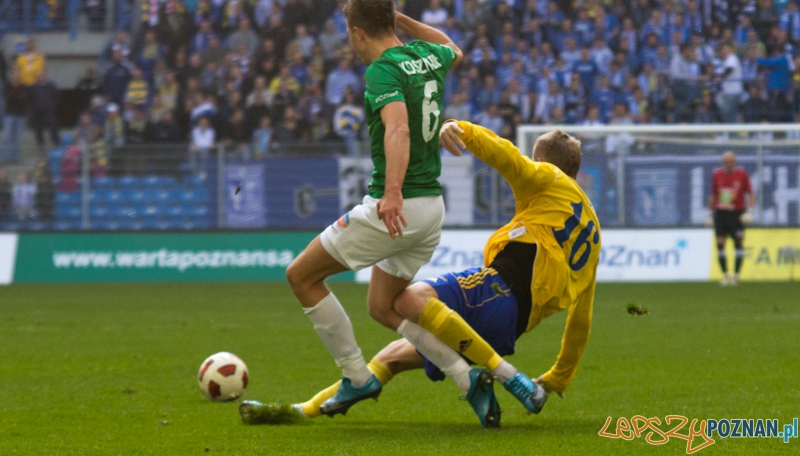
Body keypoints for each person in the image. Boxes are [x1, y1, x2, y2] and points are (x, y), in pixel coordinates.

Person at [242, 125, 601, 427]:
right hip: (507, 329)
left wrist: (463, 130)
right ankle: (301, 411)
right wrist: (558, 377)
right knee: (391, 358)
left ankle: (510, 376)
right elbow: (580, 320)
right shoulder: (593, 232)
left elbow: (509, 158)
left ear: (543, 162)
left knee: (409, 300)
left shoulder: (550, 178)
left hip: (496, 292)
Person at [241, 0, 473, 423]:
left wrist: (392, 191)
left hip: (399, 205)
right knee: (382, 306)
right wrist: (401, 20)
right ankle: (466, 376)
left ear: (358, 32)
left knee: (301, 276)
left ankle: (355, 375)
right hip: (432, 208)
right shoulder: (426, 55)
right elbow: (452, 47)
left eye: (350, 34)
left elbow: (398, 130)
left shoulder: (382, 70)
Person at [708, 151, 753, 286]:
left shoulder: (742, 174)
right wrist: (709, 213)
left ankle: (736, 275)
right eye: (726, 162)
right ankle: (726, 275)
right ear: (723, 162)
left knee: (738, 243)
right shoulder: (716, 174)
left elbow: (750, 193)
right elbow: (713, 194)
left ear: (735, 162)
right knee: (720, 242)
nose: (729, 164)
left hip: (737, 214)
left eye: (731, 161)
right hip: (721, 213)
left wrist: (750, 211)